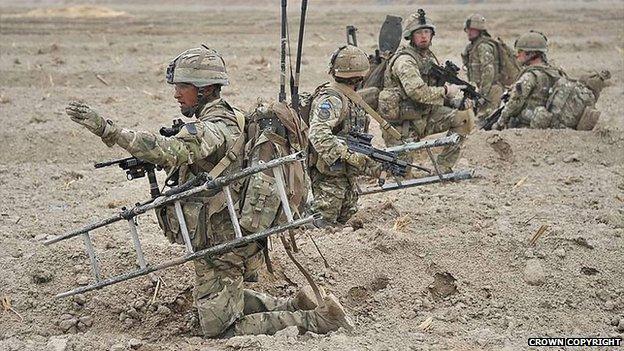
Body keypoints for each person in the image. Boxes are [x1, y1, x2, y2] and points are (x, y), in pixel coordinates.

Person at [65, 45, 352, 337]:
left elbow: (170, 150)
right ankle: (293, 305)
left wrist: (109, 131)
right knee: (223, 297)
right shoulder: (232, 116)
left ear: (205, 89)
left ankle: (317, 321)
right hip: (230, 226)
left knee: (220, 327)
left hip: (223, 234)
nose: (176, 94)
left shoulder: (214, 126)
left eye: (183, 87)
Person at [378, 9, 475, 173]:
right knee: (401, 173)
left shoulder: (428, 58)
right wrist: (446, 91)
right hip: (402, 127)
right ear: (410, 36)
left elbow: (432, 92)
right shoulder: (405, 60)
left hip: (424, 117)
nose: (423, 36)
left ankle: (443, 167)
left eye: (427, 32)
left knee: (464, 119)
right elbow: (417, 92)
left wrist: (455, 101)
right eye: (419, 33)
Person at [307, 45, 382, 228]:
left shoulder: (350, 97)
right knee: (322, 222)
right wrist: (349, 155)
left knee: (346, 218)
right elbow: (318, 134)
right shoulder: (332, 98)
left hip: (346, 174)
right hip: (330, 175)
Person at [492, 31, 563, 130]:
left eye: (520, 51)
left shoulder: (529, 76)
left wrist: (499, 123)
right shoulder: (553, 72)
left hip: (527, 125)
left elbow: (514, 103)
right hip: (546, 123)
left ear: (531, 54)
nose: (517, 55)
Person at [461, 13, 505, 122]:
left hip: (491, 90)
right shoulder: (472, 46)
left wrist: (482, 95)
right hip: (481, 90)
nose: (469, 32)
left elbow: (488, 71)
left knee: (486, 121)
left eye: (473, 29)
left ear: (480, 30)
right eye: (468, 29)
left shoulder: (483, 46)